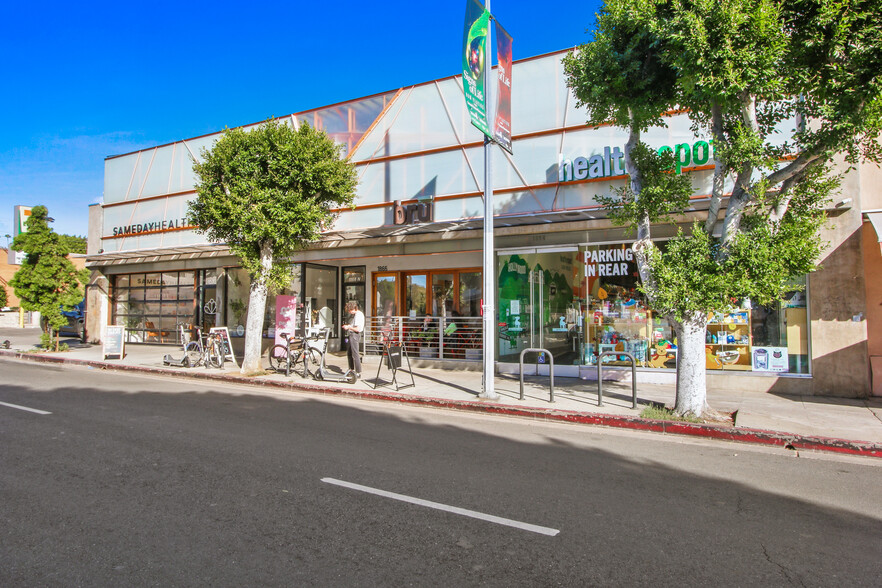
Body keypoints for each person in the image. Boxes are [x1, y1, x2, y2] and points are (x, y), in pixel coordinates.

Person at [342, 300, 364, 378]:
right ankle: (351, 370)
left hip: (354, 335)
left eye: (349, 310)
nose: (349, 312)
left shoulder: (358, 315)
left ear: (353, 308)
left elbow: (357, 329)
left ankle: (357, 372)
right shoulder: (357, 314)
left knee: (355, 353)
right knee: (350, 353)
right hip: (353, 334)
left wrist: (348, 327)